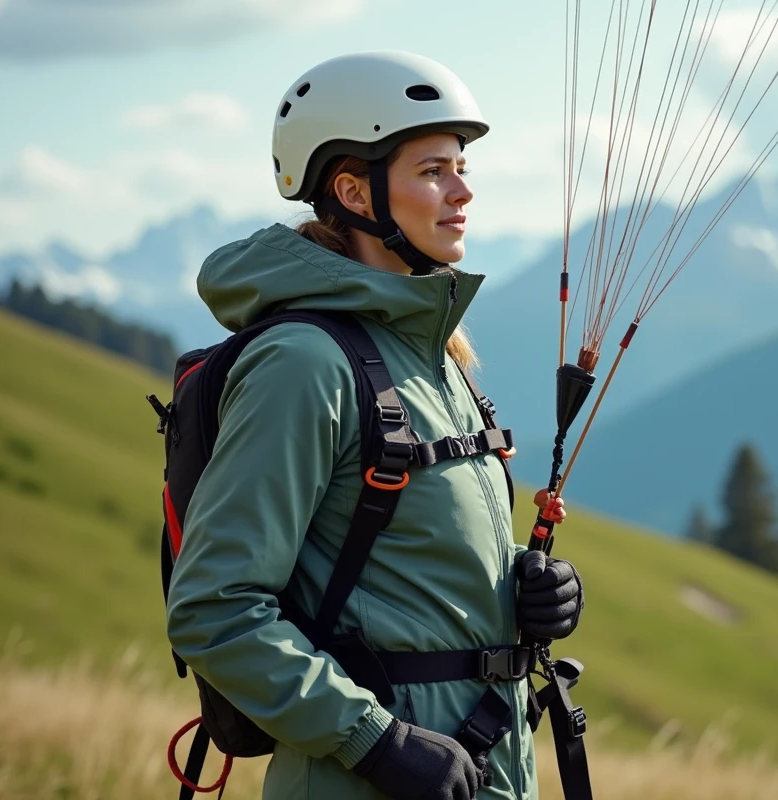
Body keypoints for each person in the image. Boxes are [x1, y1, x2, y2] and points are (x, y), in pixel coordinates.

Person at [165, 51, 584, 800]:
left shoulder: (433, 355)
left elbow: (395, 549)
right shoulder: (305, 362)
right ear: (355, 192)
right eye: (433, 171)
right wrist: (376, 742)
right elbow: (214, 610)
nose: (464, 191)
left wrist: (523, 580)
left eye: (460, 166)